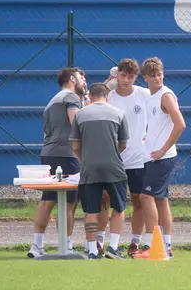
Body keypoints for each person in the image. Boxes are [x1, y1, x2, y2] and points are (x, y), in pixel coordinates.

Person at [27, 67, 87, 258]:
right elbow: (77, 125)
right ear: (72, 79)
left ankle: (36, 245)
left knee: (48, 199)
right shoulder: (71, 97)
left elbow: (46, 133)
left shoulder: (51, 101)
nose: (83, 81)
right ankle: (66, 245)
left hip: (49, 153)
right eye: (81, 78)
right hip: (67, 155)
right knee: (68, 202)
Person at [95, 59, 151, 257]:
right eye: (123, 75)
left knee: (138, 201)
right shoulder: (108, 96)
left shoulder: (144, 95)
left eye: (130, 76)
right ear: (117, 75)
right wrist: (108, 81)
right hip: (113, 159)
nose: (126, 80)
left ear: (136, 77)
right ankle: (99, 241)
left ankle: (135, 242)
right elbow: (91, 103)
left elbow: (163, 102)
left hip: (138, 159)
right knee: (105, 200)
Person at [133, 57, 186, 259]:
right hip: (153, 156)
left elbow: (180, 124)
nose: (157, 78)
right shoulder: (150, 96)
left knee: (145, 197)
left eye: (160, 74)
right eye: (153, 75)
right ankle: (166, 245)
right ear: (145, 78)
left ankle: (150, 245)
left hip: (162, 157)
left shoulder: (165, 96)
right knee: (161, 199)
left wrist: (163, 149)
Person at [70, 82, 129, 259]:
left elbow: (75, 146)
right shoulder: (119, 113)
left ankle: (92, 251)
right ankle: (113, 248)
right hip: (114, 168)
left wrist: (85, 159)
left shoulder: (80, 115)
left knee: (91, 211)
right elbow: (123, 143)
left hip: (89, 168)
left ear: (90, 96)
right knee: (119, 207)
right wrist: (112, 154)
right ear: (107, 96)